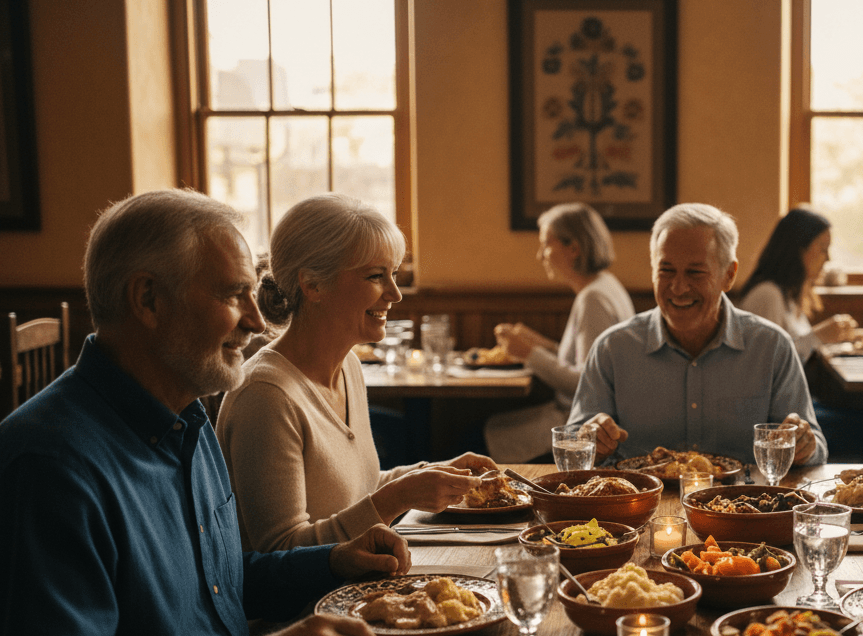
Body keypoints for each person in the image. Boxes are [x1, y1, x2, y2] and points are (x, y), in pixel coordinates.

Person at [0, 189, 410, 636]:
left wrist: (334, 560)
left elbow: (219, 584)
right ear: (148, 299)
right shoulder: (51, 463)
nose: (257, 320)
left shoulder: (187, 416)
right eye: (233, 294)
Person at [218, 194, 495, 552]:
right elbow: (283, 552)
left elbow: (355, 492)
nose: (395, 294)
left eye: (394, 274)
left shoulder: (348, 365)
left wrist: (432, 475)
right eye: (376, 276)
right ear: (313, 285)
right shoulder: (266, 395)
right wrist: (399, 497)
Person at [570, 202, 828, 466]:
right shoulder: (612, 348)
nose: (679, 287)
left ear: (728, 275)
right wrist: (590, 442)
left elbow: (816, 448)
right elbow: (573, 443)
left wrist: (804, 446)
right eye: (666, 270)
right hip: (640, 492)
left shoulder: (772, 346)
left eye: (695, 272)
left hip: (746, 493)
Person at [485, 203, 636, 462]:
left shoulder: (593, 299)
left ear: (574, 249)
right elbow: (592, 362)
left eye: (546, 244)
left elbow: (585, 385)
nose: (540, 255)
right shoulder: (604, 285)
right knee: (491, 427)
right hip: (576, 416)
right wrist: (543, 345)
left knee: (477, 436)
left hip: (581, 425)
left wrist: (530, 353)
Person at [738, 206, 857, 361]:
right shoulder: (767, 295)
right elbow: (768, 363)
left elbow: (795, 349)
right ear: (799, 249)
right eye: (823, 249)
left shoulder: (789, 298)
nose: (828, 258)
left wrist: (835, 338)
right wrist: (818, 336)